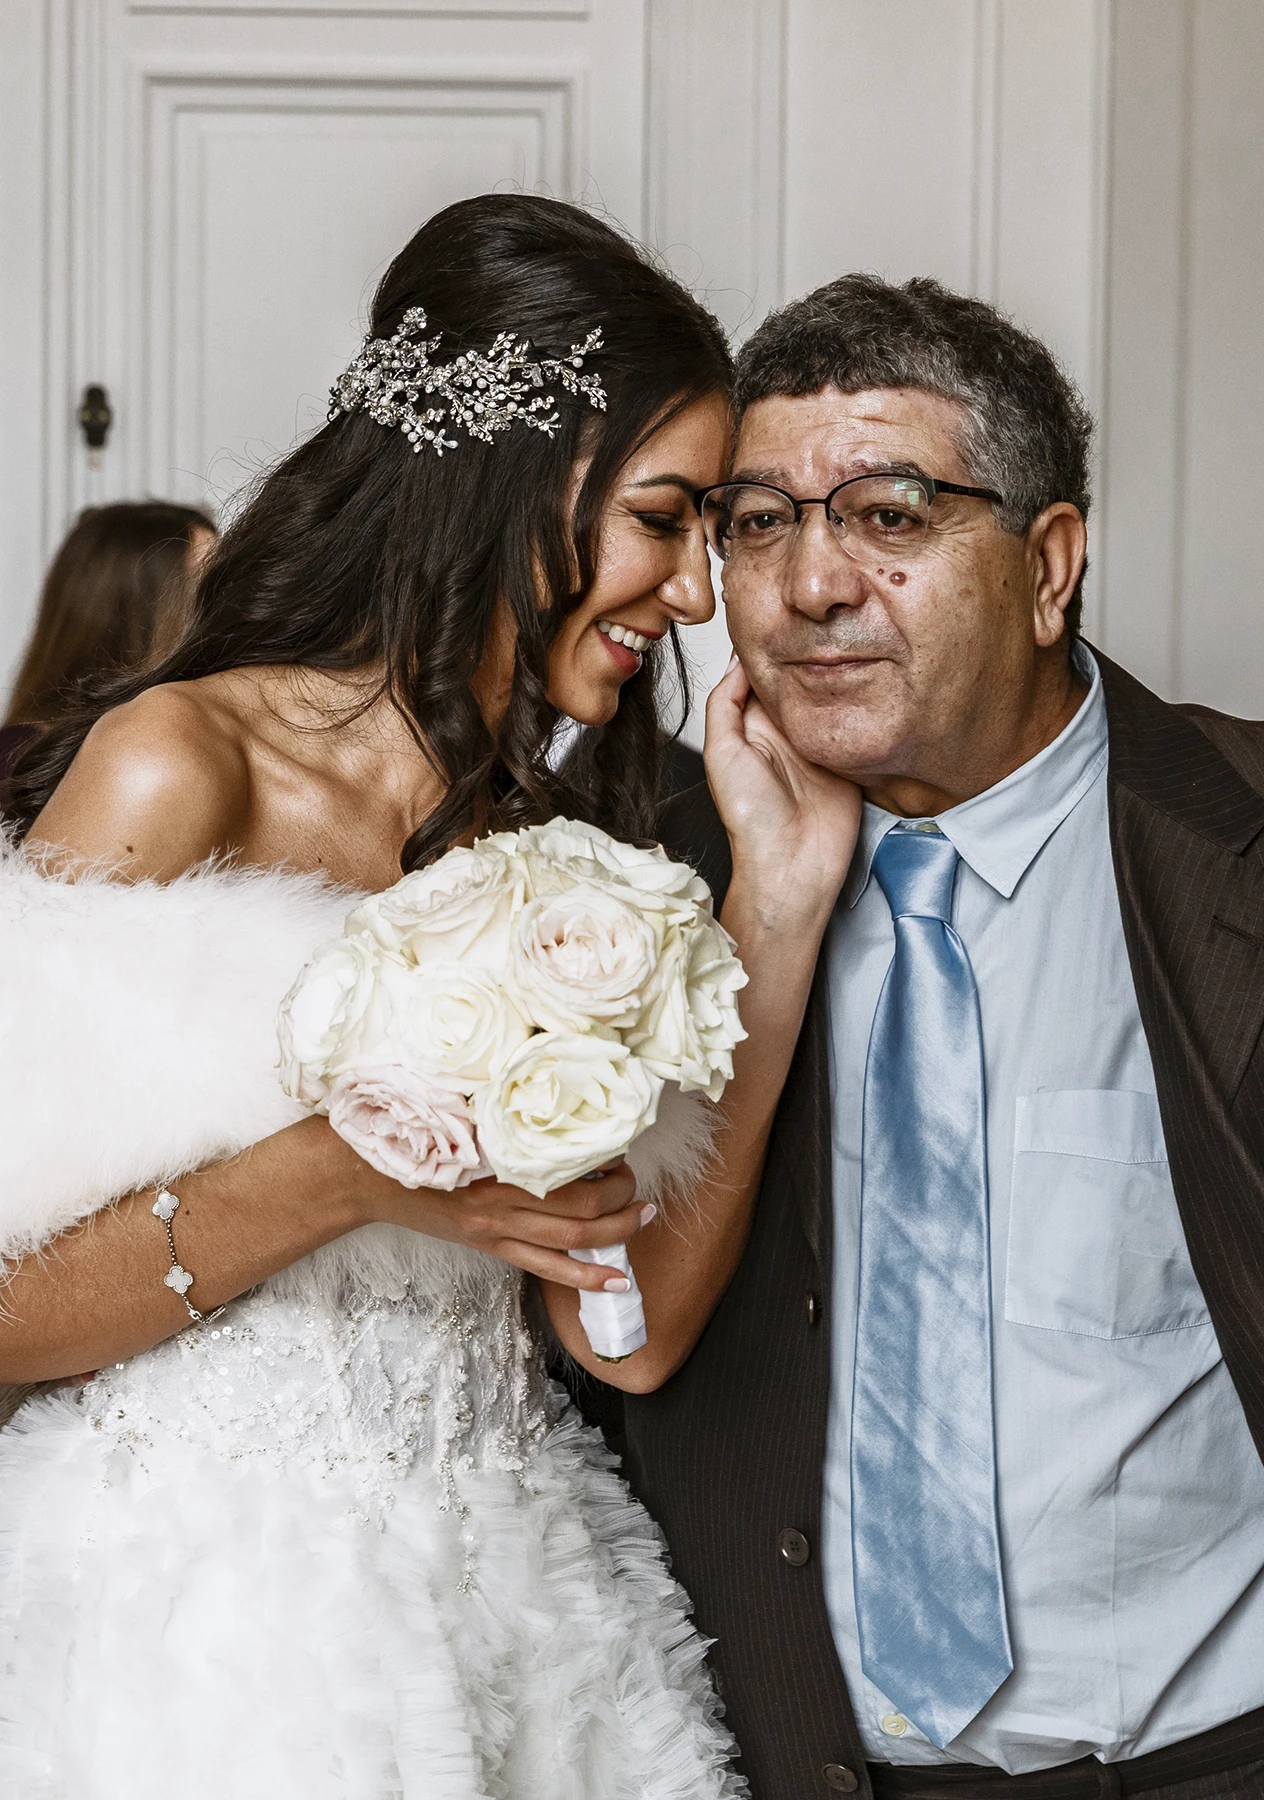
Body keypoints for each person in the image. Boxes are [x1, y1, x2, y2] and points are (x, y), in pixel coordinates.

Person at [0, 193, 832, 1799]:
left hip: (518, 1622)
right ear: (523, 482)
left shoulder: (565, 845)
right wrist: (347, 1170)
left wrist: (777, 919)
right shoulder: (181, 766)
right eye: (668, 519)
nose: (691, 592)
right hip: (200, 1643)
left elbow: (636, 1339)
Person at [574, 275, 1264, 1799]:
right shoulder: (626, 885)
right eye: (757, 522)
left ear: (1048, 568)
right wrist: (767, 906)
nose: (809, 586)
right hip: (786, 1763)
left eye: (891, 516)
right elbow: (608, 1334)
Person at [0, 500, 216, 790]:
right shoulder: (17, 762)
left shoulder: (204, 736)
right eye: (204, 583)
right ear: (134, 607)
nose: (228, 598)